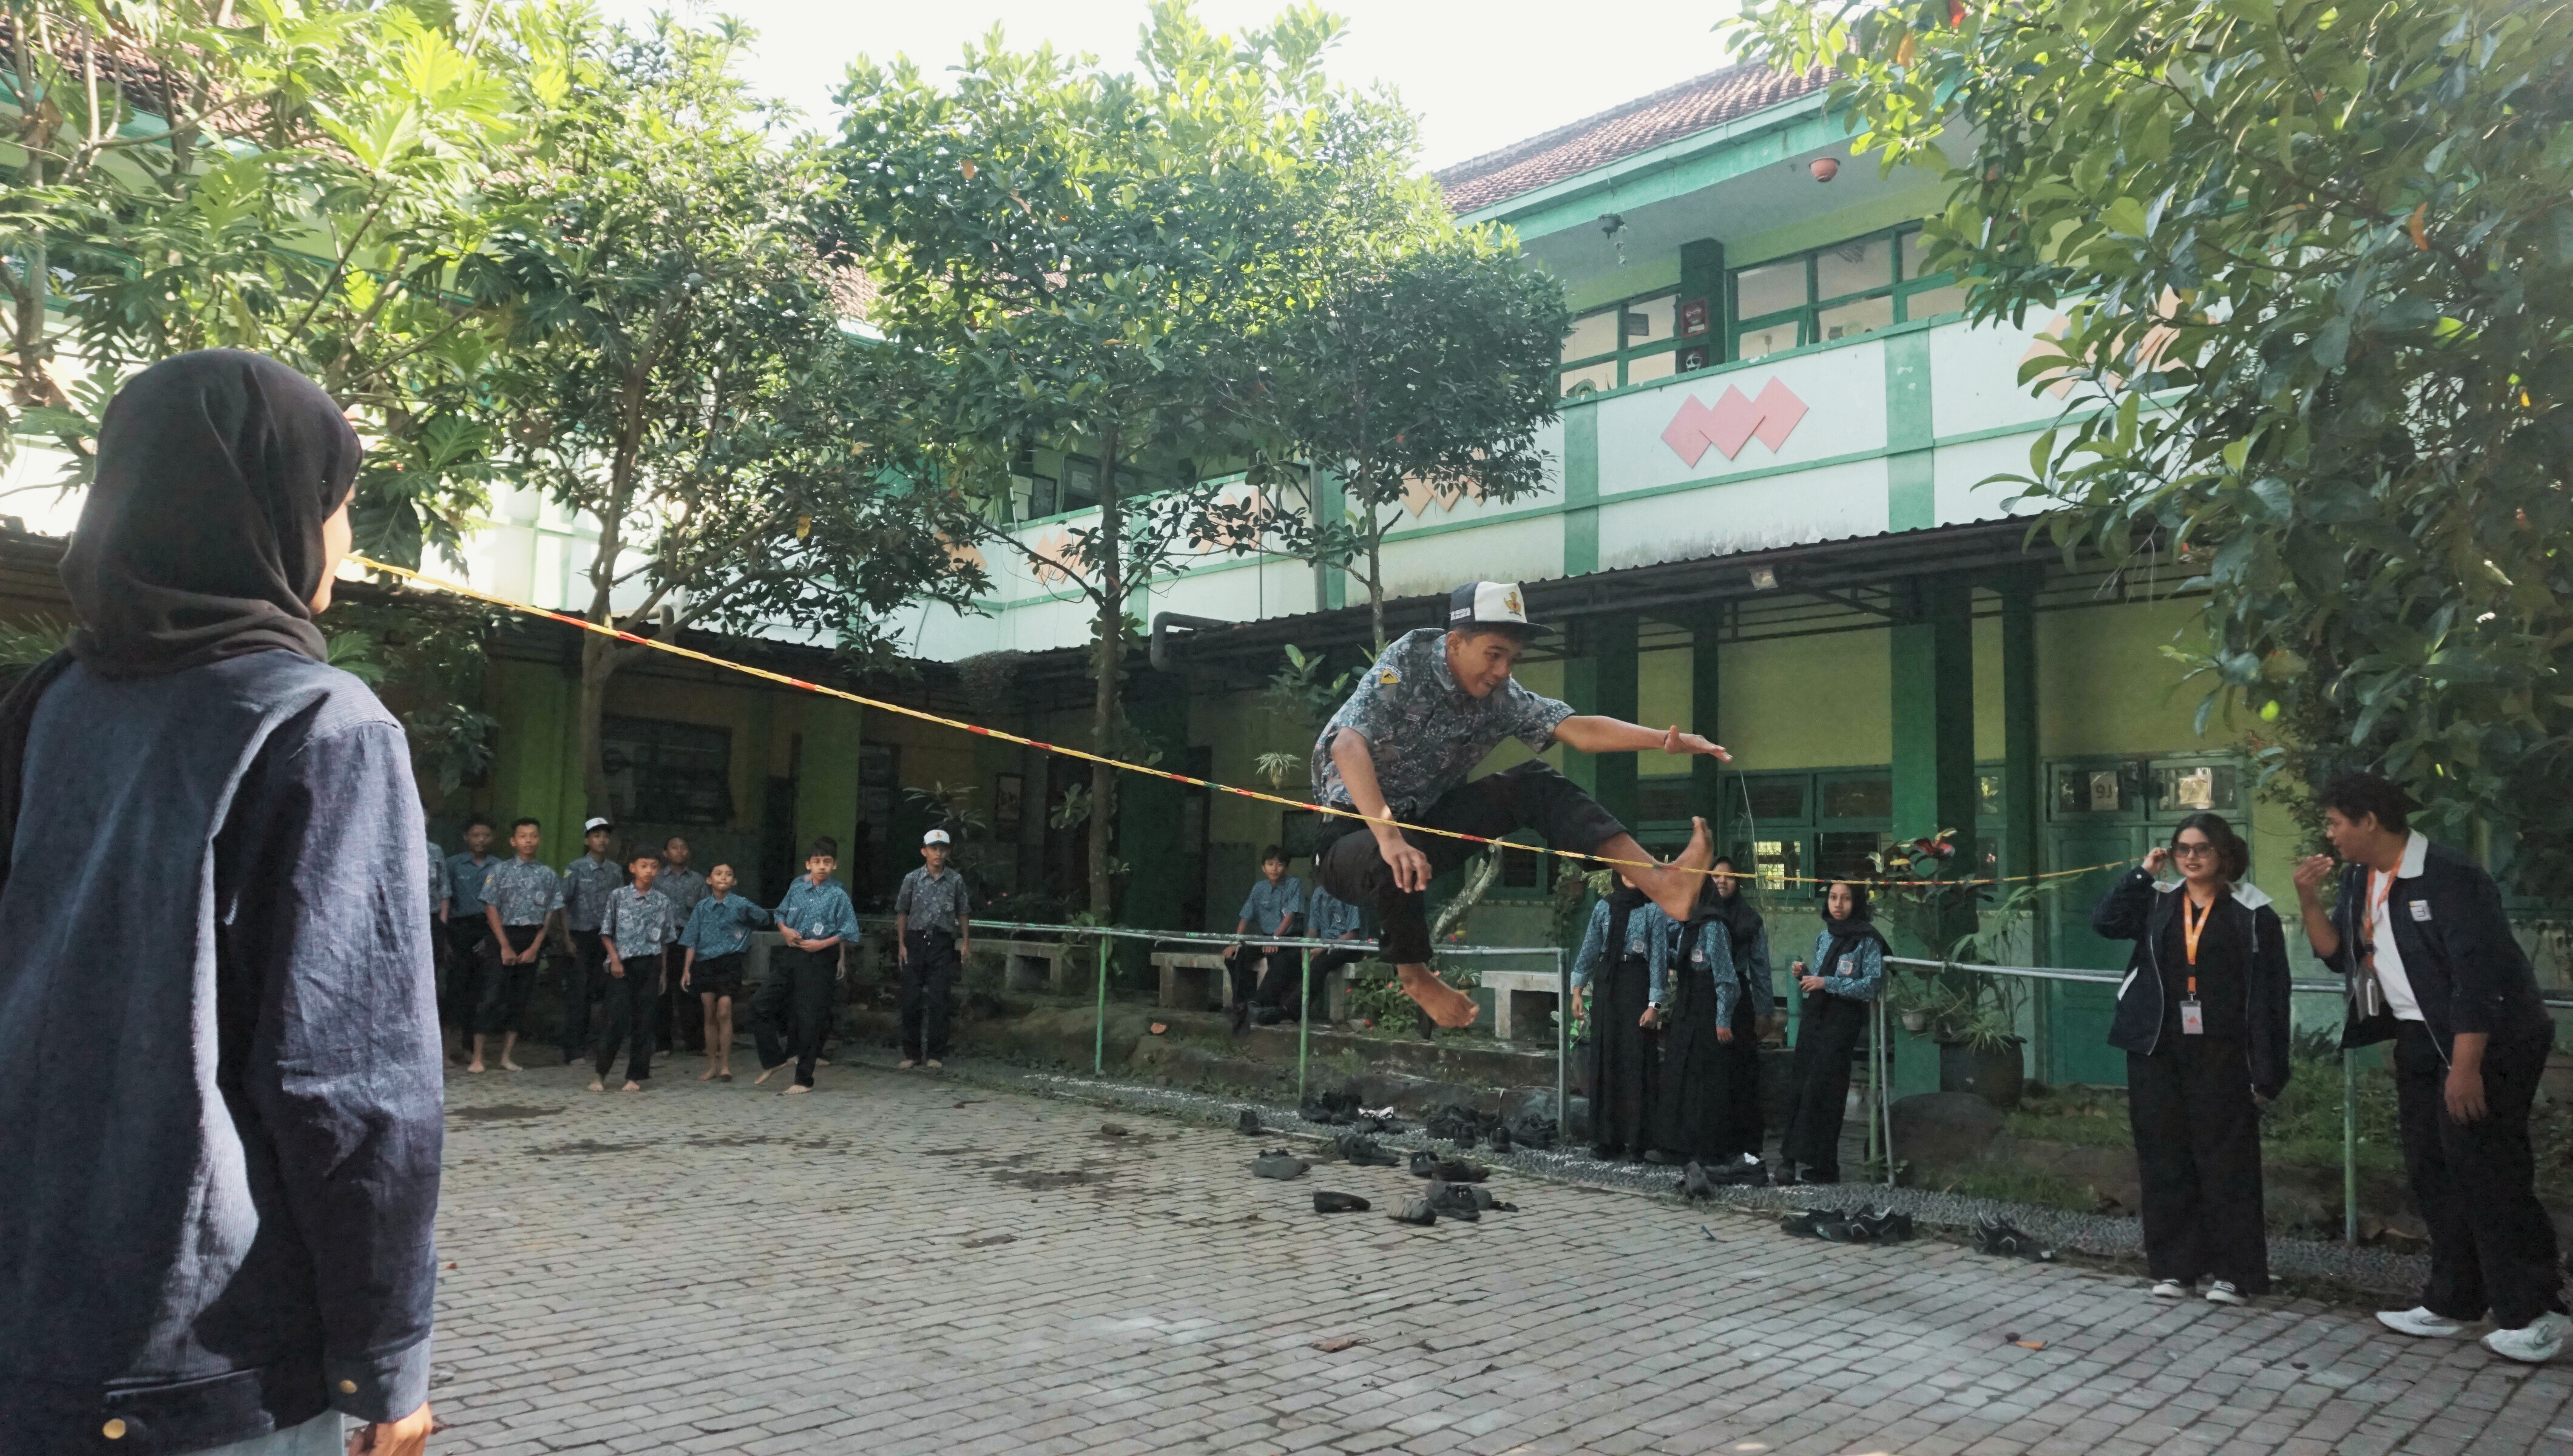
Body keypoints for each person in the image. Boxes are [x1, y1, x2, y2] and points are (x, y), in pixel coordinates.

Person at [0, 349, 438, 1455]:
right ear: (278, 518)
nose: (343, 536)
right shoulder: (318, 725)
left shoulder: (46, 707)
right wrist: (387, 1364)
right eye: (338, 505)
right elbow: (349, 1086)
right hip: (195, 1362)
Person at [1310, 581, 1726, 1030]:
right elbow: (1347, 746)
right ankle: (1414, 976)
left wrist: (1664, 741)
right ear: (1455, 642)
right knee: (1392, 854)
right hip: (1350, 840)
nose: (1502, 671)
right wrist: (1389, 837)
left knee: (1532, 782)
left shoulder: (1501, 697)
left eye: (1512, 659)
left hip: (1427, 824)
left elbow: (1579, 730)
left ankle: (1663, 883)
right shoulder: (1405, 664)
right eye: (1494, 654)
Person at [2293, 772, 2568, 1361]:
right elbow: (2339, 954)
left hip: (2487, 1039)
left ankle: (2536, 1310)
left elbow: (2478, 979)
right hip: (2418, 1037)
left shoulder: (2449, 876)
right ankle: (2453, 1298)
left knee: (2487, 1168)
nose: (2330, 833)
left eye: (2336, 822)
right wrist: (2307, 898)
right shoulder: (2360, 878)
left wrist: (2465, 1068)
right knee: (2432, 1168)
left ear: (2369, 820)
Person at [2092, 812, 2291, 1306]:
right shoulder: (2158, 902)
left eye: (2202, 848)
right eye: (2182, 848)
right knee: (2164, 1158)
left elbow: (2271, 996)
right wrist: (2142, 874)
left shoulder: (2252, 911)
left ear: (2224, 853)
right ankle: (2176, 1268)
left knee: (2226, 1161)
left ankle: (2235, 1273)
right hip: (2158, 1046)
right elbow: (2106, 922)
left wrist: (2269, 1069)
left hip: (2223, 1051)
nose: (2192, 857)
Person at [1774, 880, 1886, 1185]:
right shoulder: (1825, 936)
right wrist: (1807, 974)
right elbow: (1822, 977)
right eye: (1834, 898)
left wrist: (1827, 983)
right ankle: (1790, 1160)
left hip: (1843, 1021)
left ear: (1858, 902)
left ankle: (1822, 1164)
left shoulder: (1867, 940)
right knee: (1801, 1082)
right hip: (1816, 1016)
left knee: (1826, 1088)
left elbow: (1872, 984)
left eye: (1846, 899)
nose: (1838, 905)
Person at [1570, 873, 1676, 1161]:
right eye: (1626, 870)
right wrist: (1577, 991)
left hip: (1636, 984)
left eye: (1637, 870)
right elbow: (1589, 949)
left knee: (1636, 1058)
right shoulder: (1604, 907)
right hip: (1607, 986)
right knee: (1606, 1056)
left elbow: (1659, 959)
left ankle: (1637, 1141)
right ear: (1618, 873)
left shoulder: (1652, 909)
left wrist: (1654, 1004)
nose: (1631, 877)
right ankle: (1606, 1139)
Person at [1655, 878, 1759, 1171]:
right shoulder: (1689, 926)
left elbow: (1726, 977)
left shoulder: (1714, 926)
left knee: (1707, 1078)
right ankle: (1679, 1146)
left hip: (1709, 1005)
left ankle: (1709, 1148)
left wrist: (1723, 1019)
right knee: (1682, 1072)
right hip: (1688, 1005)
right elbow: (1682, 960)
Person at [756, 838, 860, 1093]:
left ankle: (803, 1080)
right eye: (817, 862)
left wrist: (823, 945)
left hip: (820, 958)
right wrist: (785, 931)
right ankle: (774, 1059)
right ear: (808, 864)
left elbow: (850, 930)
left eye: (827, 862)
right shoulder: (797, 887)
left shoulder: (838, 894)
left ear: (834, 865)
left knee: (809, 1018)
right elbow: (780, 914)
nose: (822, 867)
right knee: (760, 1003)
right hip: (793, 953)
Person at [1700, 858, 1776, 1175]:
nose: (1722, 882)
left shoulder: (1750, 920)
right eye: (1716, 876)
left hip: (1741, 1001)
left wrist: (1765, 1009)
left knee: (1742, 1072)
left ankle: (1745, 1145)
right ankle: (1712, 1142)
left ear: (1738, 882)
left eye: (1729, 877)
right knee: (1711, 1074)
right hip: (1707, 1000)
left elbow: (1760, 967)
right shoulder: (1700, 914)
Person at [477, 817, 564, 1073]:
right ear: (513, 841)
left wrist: (536, 946)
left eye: (533, 835)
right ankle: (478, 1058)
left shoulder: (548, 874)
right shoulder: (500, 870)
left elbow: (550, 913)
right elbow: (490, 907)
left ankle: (506, 1056)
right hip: (502, 936)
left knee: (520, 998)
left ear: (539, 839)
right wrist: (504, 945)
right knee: (491, 996)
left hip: (531, 939)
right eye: (523, 836)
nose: (529, 840)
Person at [593, 850, 678, 1093]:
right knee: (615, 1019)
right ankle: (601, 1073)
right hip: (622, 964)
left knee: (645, 1021)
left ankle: (635, 1075)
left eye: (653, 866)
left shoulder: (662, 901)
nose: (649, 871)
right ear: (632, 868)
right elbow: (606, 932)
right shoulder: (618, 896)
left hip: (650, 964)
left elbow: (665, 940)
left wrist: (662, 972)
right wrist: (614, 959)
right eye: (644, 866)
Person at [680, 864, 768, 1082]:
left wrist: (746, 915)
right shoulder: (702, 907)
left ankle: (726, 1065)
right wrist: (686, 969)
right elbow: (692, 939)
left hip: (730, 962)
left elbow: (764, 918)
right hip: (704, 963)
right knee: (709, 1013)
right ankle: (712, 1065)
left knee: (725, 1011)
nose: (724, 878)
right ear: (709, 880)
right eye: (718, 874)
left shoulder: (740, 904)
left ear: (734, 882)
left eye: (729, 874)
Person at [894, 828, 974, 1070]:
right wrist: (901, 944)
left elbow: (963, 912)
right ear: (924, 851)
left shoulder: (955, 880)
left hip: (942, 942)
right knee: (911, 998)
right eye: (933, 849)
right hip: (916, 941)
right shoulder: (912, 879)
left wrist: (966, 942)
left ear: (948, 852)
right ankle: (912, 1053)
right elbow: (902, 912)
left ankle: (936, 1054)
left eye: (942, 849)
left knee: (940, 998)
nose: (938, 854)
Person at [558, 815, 626, 1065]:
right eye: (596, 836)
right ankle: (574, 1049)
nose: (602, 840)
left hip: (607, 938)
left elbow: (620, 905)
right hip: (580, 936)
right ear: (587, 840)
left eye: (606, 836)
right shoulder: (574, 868)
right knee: (579, 993)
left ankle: (604, 1047)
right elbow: (562, 904)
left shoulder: (615, 870)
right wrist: (566, 937)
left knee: (608, 993)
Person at [1225, 846, 1307, 1033]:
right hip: (1267, 938)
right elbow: (1245, 916)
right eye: (1270, 864)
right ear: (1263, 868)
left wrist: (1275, 940)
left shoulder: (1294, 884)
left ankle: (1258, 1002)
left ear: (1286, 867)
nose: (1274, 869)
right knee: (1235, 956)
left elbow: (1291, 916)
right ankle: (1241, 1004)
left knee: (1281, 961)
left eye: (1279, 864)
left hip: (1289, 939)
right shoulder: (1259, 888)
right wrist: (1236, 942)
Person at [444, 815, 499, 1063]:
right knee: (454, 991)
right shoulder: (453, 865)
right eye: (476, 835)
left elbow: (502, 904)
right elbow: (444, 899)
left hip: (488, 929)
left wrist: (491, 936)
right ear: (466, 837)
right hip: (458, 930)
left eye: (486, 835)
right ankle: (445, 1050)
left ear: (493, 838)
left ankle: (470, 1049)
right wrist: (446, 937)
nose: (481, 840)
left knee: (480, 992)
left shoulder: (499, 866)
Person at [655, 835, 709, 1055]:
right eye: (674, 848)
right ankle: (662, 1044)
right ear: (665, 853)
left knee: (690, 992)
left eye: (683, 848)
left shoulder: (698, 881)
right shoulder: (656, 879)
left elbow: (704, 912)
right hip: (661, 942)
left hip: (688, 942)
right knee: (662, 992)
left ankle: (694, 1043)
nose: (679, 851)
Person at [1303, 882, 1367, 1025]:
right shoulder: (1319, 893)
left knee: (1319, 965)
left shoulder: (1351, 892)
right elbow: (1313, 928)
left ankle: (1290, 1009)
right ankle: (1263, 1003)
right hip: (1325, 945)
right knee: (1293, 959)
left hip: (1349, 946)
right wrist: (1306, 946)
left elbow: (1353, 934)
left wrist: (1324, 948)